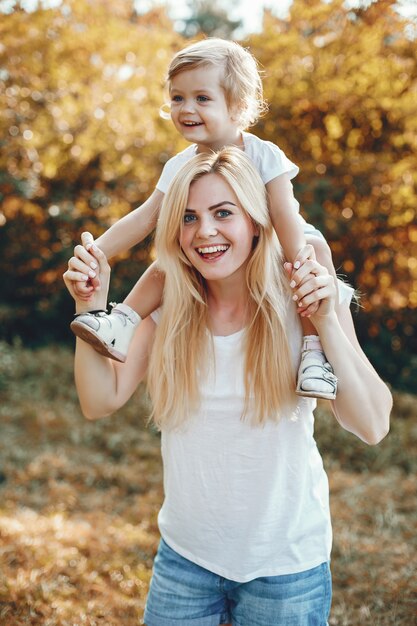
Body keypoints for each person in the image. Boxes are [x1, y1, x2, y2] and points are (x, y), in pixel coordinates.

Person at [64, 147, 392, 626]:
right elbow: (100, 401)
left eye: (224, 213)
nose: (206, 232)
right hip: (185, 561)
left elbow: (373, 424)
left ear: (257, 222)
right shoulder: (167, 302)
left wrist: (326, 323)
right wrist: (89, 307)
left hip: (286, 569)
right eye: (190, 218)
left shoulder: (304, 297)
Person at [70, 37, 341, 401]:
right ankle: (122, 321)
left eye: (202, 98)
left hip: (278, 242)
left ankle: (313, 349)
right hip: (212, 246)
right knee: (165, 265)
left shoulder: (263, 155)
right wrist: (95, 252)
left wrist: (301, 260)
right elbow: (145, 218)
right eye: (178, 97)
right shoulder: (180, 164)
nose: (186, 108)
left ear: (238, 106)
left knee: (305, 269)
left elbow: (283, 214)